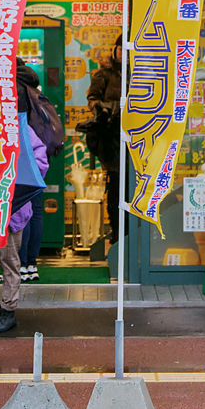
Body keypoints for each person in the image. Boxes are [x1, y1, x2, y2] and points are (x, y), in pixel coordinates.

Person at [0, 108, 48, 335]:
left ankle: (8, 309)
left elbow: (39, 158)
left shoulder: (18, 127)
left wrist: (20, 182)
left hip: (10, 204)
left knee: (9, 259)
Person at [15, 62, 63, 281]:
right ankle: (31, 265)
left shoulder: (10, 87)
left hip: (19, 154)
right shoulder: (32, 86)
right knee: (34, 211)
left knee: (19, 210)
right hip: (37, 154)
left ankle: (20, 264)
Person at [82, 36, 123, 250]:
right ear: (114, 50)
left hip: (135, 138)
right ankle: (116, 232)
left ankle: (131, 232)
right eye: (120, 48)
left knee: (133, 187)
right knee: (116, 186)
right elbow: (92, 100)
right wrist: (111, 107)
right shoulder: (104, 73)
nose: (124, 53)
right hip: (111, 138)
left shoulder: (143, 73)